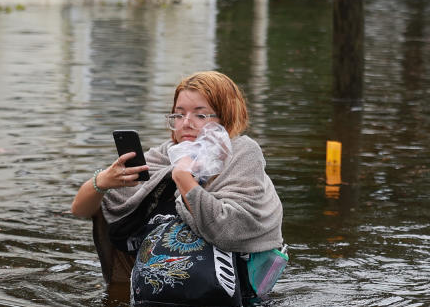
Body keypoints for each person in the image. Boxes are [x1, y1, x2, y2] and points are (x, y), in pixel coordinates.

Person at [70, 70, 284, 287]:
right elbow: (81, 210)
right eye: (179, 114)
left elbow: (230, 229)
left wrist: (183, 178)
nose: (186, 123)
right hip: (156, 289)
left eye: (200, 115)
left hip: (225, 294)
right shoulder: (166, 154)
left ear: (226, 116)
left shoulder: (242, 153)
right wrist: (102, 182)